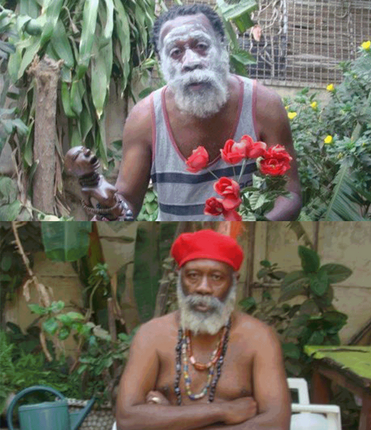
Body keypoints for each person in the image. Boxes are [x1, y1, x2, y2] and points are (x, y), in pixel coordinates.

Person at [114, 4, 302, 221]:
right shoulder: (144, 118)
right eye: (176, 52)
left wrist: (251, 235)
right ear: (161, 60)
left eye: (201, 46)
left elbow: (289, 193)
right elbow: (126, 200)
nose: (191, 62)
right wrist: (101, 199)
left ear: (223, 45)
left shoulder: (263, 106)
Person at [116, 230, 290, 430]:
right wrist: (223, 411)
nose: (204, 288)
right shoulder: (151, 335)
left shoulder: (259, 339)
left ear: (234, 280)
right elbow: (127, 420)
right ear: (178, 277)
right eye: (193, 276)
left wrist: (168, 418)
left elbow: (276, 424)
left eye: (216, 277)